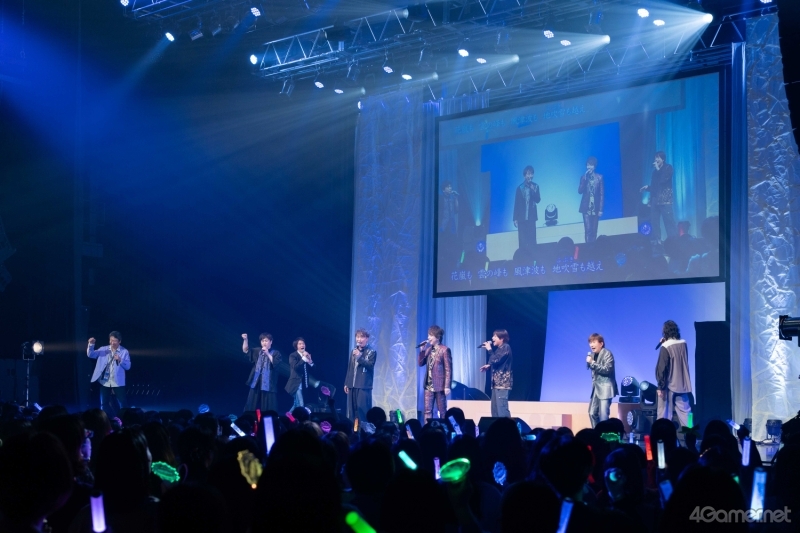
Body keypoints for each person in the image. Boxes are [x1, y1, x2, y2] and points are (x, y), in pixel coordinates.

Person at [655, 320, 693, 427]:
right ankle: (691, 433)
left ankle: (662, 435)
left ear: (665, 332)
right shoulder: (684, 343)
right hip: (683, 385)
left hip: (669, 386)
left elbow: (662, 368)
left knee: (663, 415)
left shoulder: (665, 346)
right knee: (686, 413)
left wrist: (661, 387)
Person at [88, 331, 131, 414]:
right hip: (104, 381)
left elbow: (128, 366)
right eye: (111, 340)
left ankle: (124, 419)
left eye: (114, 341)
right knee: (104, 403)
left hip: (118, 381)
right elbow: (91, 355)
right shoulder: (103, 349)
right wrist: (91, 345)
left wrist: (120, 359)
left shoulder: (124, 351)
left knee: (122, 403)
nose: (112, 342)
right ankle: (106, 419)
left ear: (119, 341)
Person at [417, 325, 452, 420]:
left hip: (440, 386)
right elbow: (420, 363)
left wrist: (447, 386)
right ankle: (427, 428)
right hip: (428, 386)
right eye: (428, 335)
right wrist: (422, 351)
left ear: (438, 337)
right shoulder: (428, 350)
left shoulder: (444, 350)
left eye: (431, 335)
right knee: (427, 411)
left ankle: (444, 428)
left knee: (442, 411)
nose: (428, 338)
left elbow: (448, 369)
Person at [640, 151, 676, 241]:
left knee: (669, 222)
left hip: (665, 200)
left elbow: (663, 180)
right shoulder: (655, 172)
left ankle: (673, 242)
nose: (656, 159)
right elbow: (655, 186)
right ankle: (657, 243)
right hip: (655, 199)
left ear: (663, 159)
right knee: (654, 222)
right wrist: (648, 188)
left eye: (658, 157)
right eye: (655, 157)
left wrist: (657, 169)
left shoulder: (668, 168)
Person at [242, 332, 282, 412]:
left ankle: (269, 419)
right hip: (256, 381)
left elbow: (276, 363)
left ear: (271, 341)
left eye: (266, 341)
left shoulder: (276, 353)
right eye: (262, 341)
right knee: (250, 404)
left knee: (269, 407)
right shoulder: (257, 351)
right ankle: (248, 417)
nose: (264, 342)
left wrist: (267, 353)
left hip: (269, 383)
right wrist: (245, 340)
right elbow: (245, 350)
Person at [586, 333, 618, 428]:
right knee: (592, 413)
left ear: (601, 343)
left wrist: (592, 362)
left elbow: (607, 369)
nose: (591, 345)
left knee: (603, 416)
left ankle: (604, 435)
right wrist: (590, 362)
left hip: (605, 388)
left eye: (594, 342)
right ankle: (596, 433)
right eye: (590, 342)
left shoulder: (607, 353)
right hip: (596, 388)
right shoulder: (592, 355)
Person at [344, 329, 377, 422]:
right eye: (357, 337)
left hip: (363, 386)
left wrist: (360, 357)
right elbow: (350, 368)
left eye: (362, 337)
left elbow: (370, 366)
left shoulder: (371, 351)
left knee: (362, 412)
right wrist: (347, 383)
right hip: (352, 385)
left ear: (367, 338)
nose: (359, 339)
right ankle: (352, 430)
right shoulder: (353, 351)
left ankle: (363, 430)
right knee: (352, 412)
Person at [481, 329, 513, 418]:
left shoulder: (506, 347)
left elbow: (496, 359)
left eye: (495, 336)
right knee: (495, 411)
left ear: (502, 338)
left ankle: (508, 426)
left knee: (502, 411)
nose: (492, 338)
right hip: (496, 384)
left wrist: (489, 349)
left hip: (503, 384)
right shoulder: (499, 349)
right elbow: (496, 361)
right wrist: (489, 366)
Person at [513, 166, 541, 250]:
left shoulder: (536, 186)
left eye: (532, 174)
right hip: (521, 218)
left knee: (532, 241)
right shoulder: (520, 188)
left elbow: (538, 200)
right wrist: (515, 218)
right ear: (524, 175)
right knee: (522, 242)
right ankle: (523, 257)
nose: (530, 176)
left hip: (531, 218)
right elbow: (516, 203)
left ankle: (533, 257)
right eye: (528, 174)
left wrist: (533, 190)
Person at [578, 156, 604, 244]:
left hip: (595, 208)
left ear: (594, 166)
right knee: (588, 230)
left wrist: (600, 209)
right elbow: (579, 191)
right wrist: (584, 179)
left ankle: (593, 248)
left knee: (594, 230)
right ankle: (588, 248)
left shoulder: (599, 177)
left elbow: (601, 194)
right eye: (588, 165)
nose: (589, 167)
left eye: (591, 165)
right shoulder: (583, 177)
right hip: (586, 208)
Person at [286, 337, 314, 410]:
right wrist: (303, 358)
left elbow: (314, 370)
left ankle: (288, 416)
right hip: (296, 384)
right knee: (300, 404)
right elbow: (296, 367)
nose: (302, 345)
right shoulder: (293, 355)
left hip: (304, 384)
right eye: (300, 344)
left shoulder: (306, 355)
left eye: (303, 343)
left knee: (296, 404)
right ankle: (298, 417)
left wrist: (310, 361)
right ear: (296, 346)